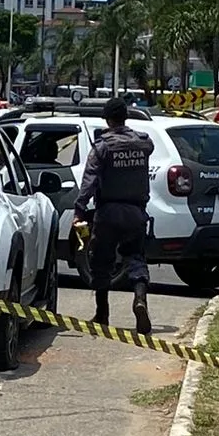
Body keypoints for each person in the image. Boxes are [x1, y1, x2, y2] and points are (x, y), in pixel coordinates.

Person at [74, 97, 155, 333]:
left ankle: (102, 314)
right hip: (136, 212)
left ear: (108, 120)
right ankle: (140, 300)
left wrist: (79, 211)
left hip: (107, 213)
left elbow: (88, 182)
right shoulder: (143, 143)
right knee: (136, 259)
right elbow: (148, 149)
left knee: (101, 263)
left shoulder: (102, 147)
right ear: (126, 116)